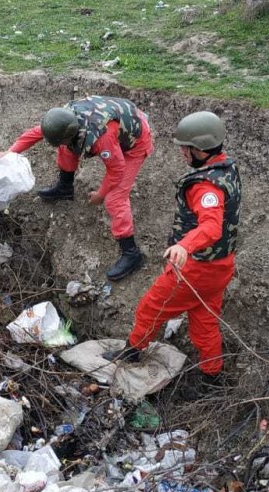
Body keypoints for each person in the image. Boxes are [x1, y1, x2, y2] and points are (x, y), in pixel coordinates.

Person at [104, 111, 241, 392]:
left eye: (185, 147)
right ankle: (211, 379)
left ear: (199, 149)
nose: (181, 152)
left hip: (196, 269)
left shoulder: (204, 185)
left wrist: (183, 245)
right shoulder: (226, 168)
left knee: (150, 307)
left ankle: (131, 352)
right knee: (204, 324)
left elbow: (212, 227)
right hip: (222, 266)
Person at [0, 96, 154, 281]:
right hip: (115, 122)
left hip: (136, 140)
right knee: (66, 149)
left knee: (115, 199)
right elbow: (35, 133)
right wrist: (11, 151)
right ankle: (65, 187)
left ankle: (131, 253)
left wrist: (100, 194)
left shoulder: (102, 137)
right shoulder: (63, 120)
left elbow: (116, 170)